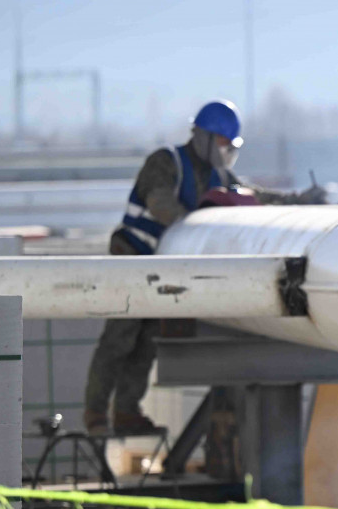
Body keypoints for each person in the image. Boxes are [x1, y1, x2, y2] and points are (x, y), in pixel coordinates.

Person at [82, 100, 324, 436]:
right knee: (120, 338)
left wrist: (299, 201)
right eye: (224, 144)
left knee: (146, 342)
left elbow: (251, 196)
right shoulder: (165, 162)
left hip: (162, 265)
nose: (227, 152)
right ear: (205, 137)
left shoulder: (216, 174)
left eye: (231, 146)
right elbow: (161, 204)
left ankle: (126, 411)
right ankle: (95, 413)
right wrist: (195, 229)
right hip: (133, 256)